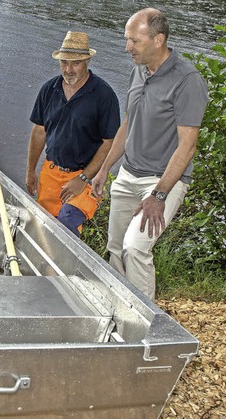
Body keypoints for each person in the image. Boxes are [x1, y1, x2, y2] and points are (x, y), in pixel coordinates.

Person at [91, 8, 209, 300]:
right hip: (128, 174)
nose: (127, 47)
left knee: (136, 248)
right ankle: (120, 312)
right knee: (116, 249)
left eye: (134, 40)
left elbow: (187, 145)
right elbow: (130, 123)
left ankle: (148, 328)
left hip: (162, 180)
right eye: (126, 39)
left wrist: (159, 195)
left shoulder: (187, 81)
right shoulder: (138, 71)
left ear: (159, 40)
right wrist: (104, 169)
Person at [26, 31, 121, 237]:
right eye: (64, 63)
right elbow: (39, 131)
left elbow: (108, 142)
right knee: (44, 231)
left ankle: (69, 268)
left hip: (83, 177)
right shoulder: (49, 89)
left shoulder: (104, 95)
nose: (68, 70)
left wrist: (84, 178)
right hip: (51, 173)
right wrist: (30, 170)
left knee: (68, 222)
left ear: (87, 61)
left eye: (75, 63)